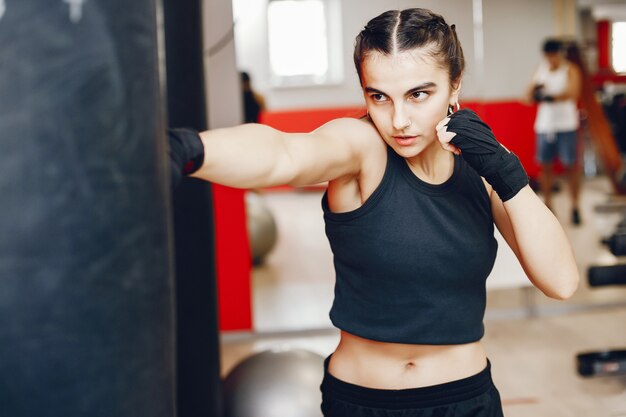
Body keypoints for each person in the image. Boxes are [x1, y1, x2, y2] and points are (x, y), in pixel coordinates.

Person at [170, 8, 579, 417]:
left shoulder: (485, 164)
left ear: (454, 85)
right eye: (378, 96)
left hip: (463, 401)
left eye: (419, 94)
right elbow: (285, 154)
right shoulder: (361, 147)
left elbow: (560, 281)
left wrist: (506, 172)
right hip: (362, 402)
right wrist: (188, 150)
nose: (398, 121)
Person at [526, 38, 583, 225]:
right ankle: (548, 204)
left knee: (571, 167)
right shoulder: (541, 70)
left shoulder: (570, 70)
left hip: (566, 126)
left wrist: (552, 97)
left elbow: (573, 92)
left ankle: (575, 206)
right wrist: (536, 91)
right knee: (546, 167)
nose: (551, 60)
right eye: (548, 56)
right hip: (545, 126)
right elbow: (526, 97)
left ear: (560, 54)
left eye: (554, 55)